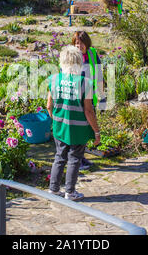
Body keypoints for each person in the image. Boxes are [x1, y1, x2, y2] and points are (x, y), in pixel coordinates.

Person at [47, 45, 101, 201]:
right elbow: (89, 111)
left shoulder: (54, 79)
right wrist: (96, 131)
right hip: (78, 128)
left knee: (59, 156)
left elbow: (49, 105)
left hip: (59, 126)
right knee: (75, 158)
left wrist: (56, 119)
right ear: (79, 62)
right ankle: (70, 192)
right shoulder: (85, 83)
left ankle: (53, 189)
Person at [72, 31, 106, 170]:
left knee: (87, 126)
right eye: (76, 43)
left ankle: (82, 157)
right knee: (78, 127)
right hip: (76, 95)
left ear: (87, 43)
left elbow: (98, 74)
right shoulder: (71, 56)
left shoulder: (92, 53)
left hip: (89, 94)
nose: (78, 46)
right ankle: (77, 160)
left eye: (81, 43)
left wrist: (102, 96)